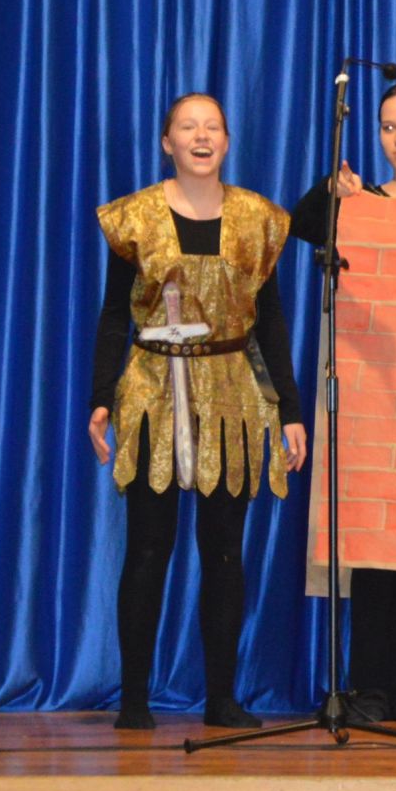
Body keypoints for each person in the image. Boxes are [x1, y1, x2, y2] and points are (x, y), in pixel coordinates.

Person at [88, 93, 308, 731]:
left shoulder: (258, 219)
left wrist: (289, 410)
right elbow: (113, 315)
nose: (201, 136)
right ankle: (134, 700)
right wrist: (101, 397)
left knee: (224, 552)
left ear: (227, 141)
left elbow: (270, 321)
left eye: (212, 126)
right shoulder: (135, 217)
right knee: (148, 548)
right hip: (153, 391)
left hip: (231, 395)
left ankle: (221, 700)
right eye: (188, 126)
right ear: (168, 143)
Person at [289, 78, 396, 724]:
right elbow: (301, 226)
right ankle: (369, 685)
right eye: (388, 127)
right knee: (373, 542)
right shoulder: (364, 203)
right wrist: (332, 191)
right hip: (370, 399)